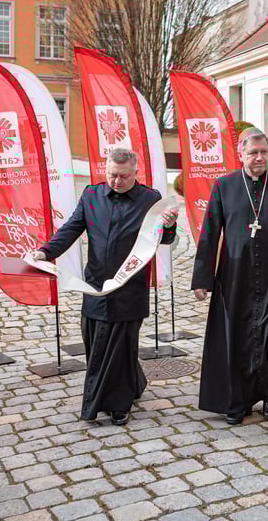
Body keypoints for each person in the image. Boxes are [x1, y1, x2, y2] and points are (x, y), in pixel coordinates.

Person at [32, 148, 178, 426]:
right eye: (112, 175)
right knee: (94, 342)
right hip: (96, 285)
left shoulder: (151, 199)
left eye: (123, 176)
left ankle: (117, 405)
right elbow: (71, 228)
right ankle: (135, 383)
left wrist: (169, 226)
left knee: (119, 348)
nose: (117, 181)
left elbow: (165, 239)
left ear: (136, 172)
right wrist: (45, 252)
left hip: (129, 287)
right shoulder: (91, 195)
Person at [191, 128, 268, 425]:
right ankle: (237, 401)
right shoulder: (224, 186)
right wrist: (202, 279)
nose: (259, 158)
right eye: (253, 152)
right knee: (236, 336)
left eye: (263, 152)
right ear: (240, 154)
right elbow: (210, 233)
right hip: (234, 274)